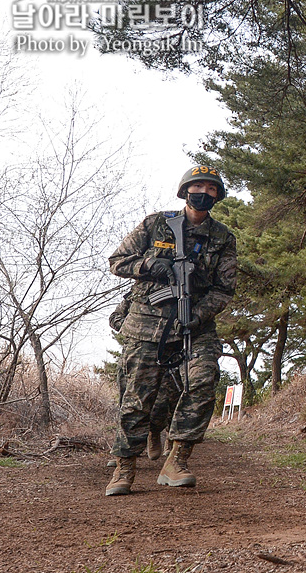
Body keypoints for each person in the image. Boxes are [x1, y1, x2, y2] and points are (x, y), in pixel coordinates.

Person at [105, 165, 236, 496]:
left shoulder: (223, 238)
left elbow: (224, 289)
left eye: (211, 189)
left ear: (217, 196)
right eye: (198, 187)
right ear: (184, 191)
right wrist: (148, 265)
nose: (203, 193)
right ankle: (125, 467)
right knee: (136, 398)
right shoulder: (155, 223)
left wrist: (199, 313)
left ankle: (177, 459)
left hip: (194, 326)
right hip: (146, 325)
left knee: (203, 380)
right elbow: (118, 260)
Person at [106, 294, 182, 467]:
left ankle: (154, 432)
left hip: (164, 352)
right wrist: (135, 328)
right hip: (133, 354)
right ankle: (123, 453)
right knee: (127, 404)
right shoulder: (133, 295)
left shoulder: (174, 292)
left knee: (162, 402)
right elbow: (114, 318)